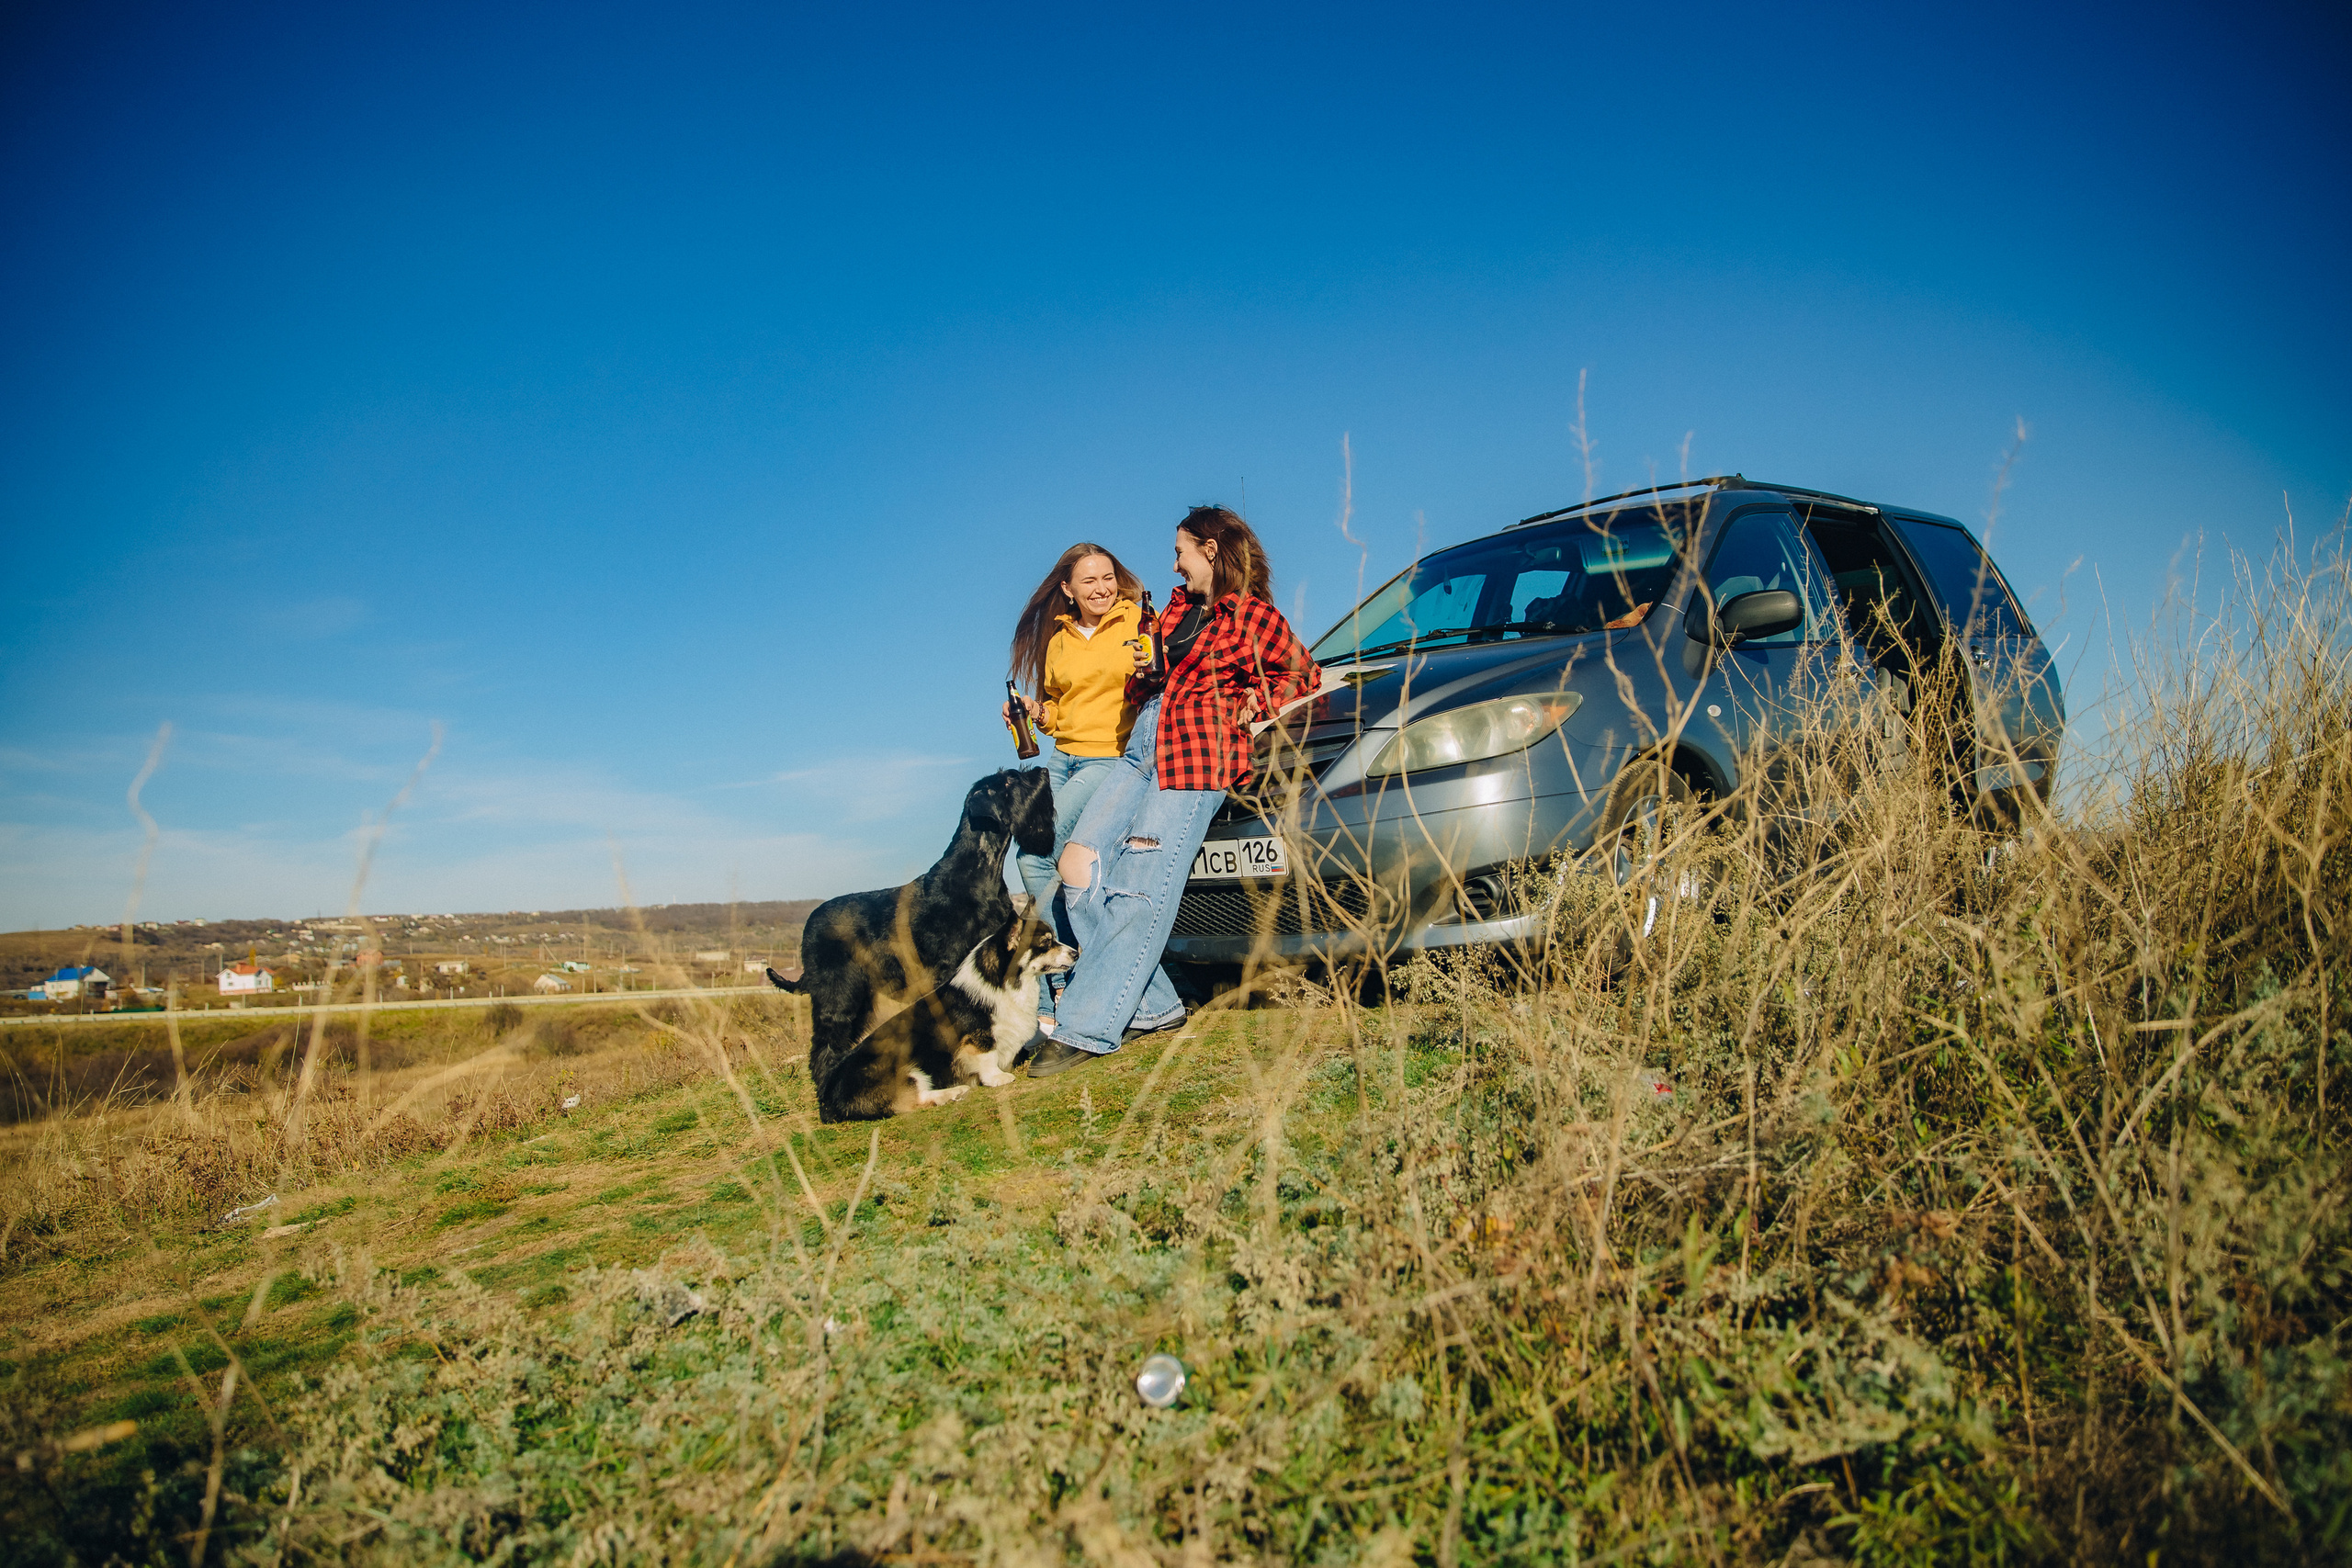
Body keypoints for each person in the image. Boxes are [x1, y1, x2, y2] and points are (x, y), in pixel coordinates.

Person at [1023, 505, 1320, 1077]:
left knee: (1138, 885)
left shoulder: (1253, 616)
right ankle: (1157, 1006)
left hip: (1196, 757)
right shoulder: (1177, 609)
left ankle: (1087, 1024)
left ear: (1210, 550)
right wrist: (1144, 669)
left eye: (1181, 551)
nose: (1174, 564)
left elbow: (1301, 673)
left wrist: (1260, 702)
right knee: (1077, 866)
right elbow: (1147, 680)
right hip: (1142, 748)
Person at [1002, 542, 1150, 1014]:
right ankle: (1067, 971)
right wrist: (1032, 710)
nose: (1102, 588)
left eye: (1108, 577)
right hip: (1062, 759)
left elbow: (1156, 675)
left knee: (1038, 852)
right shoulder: (1059, 641)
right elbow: (1056, 711)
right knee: (1032, 862)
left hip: (1109, 757)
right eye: (1089, 581)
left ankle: (1059, 987)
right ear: (1068, 590)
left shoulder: (1137, 621)